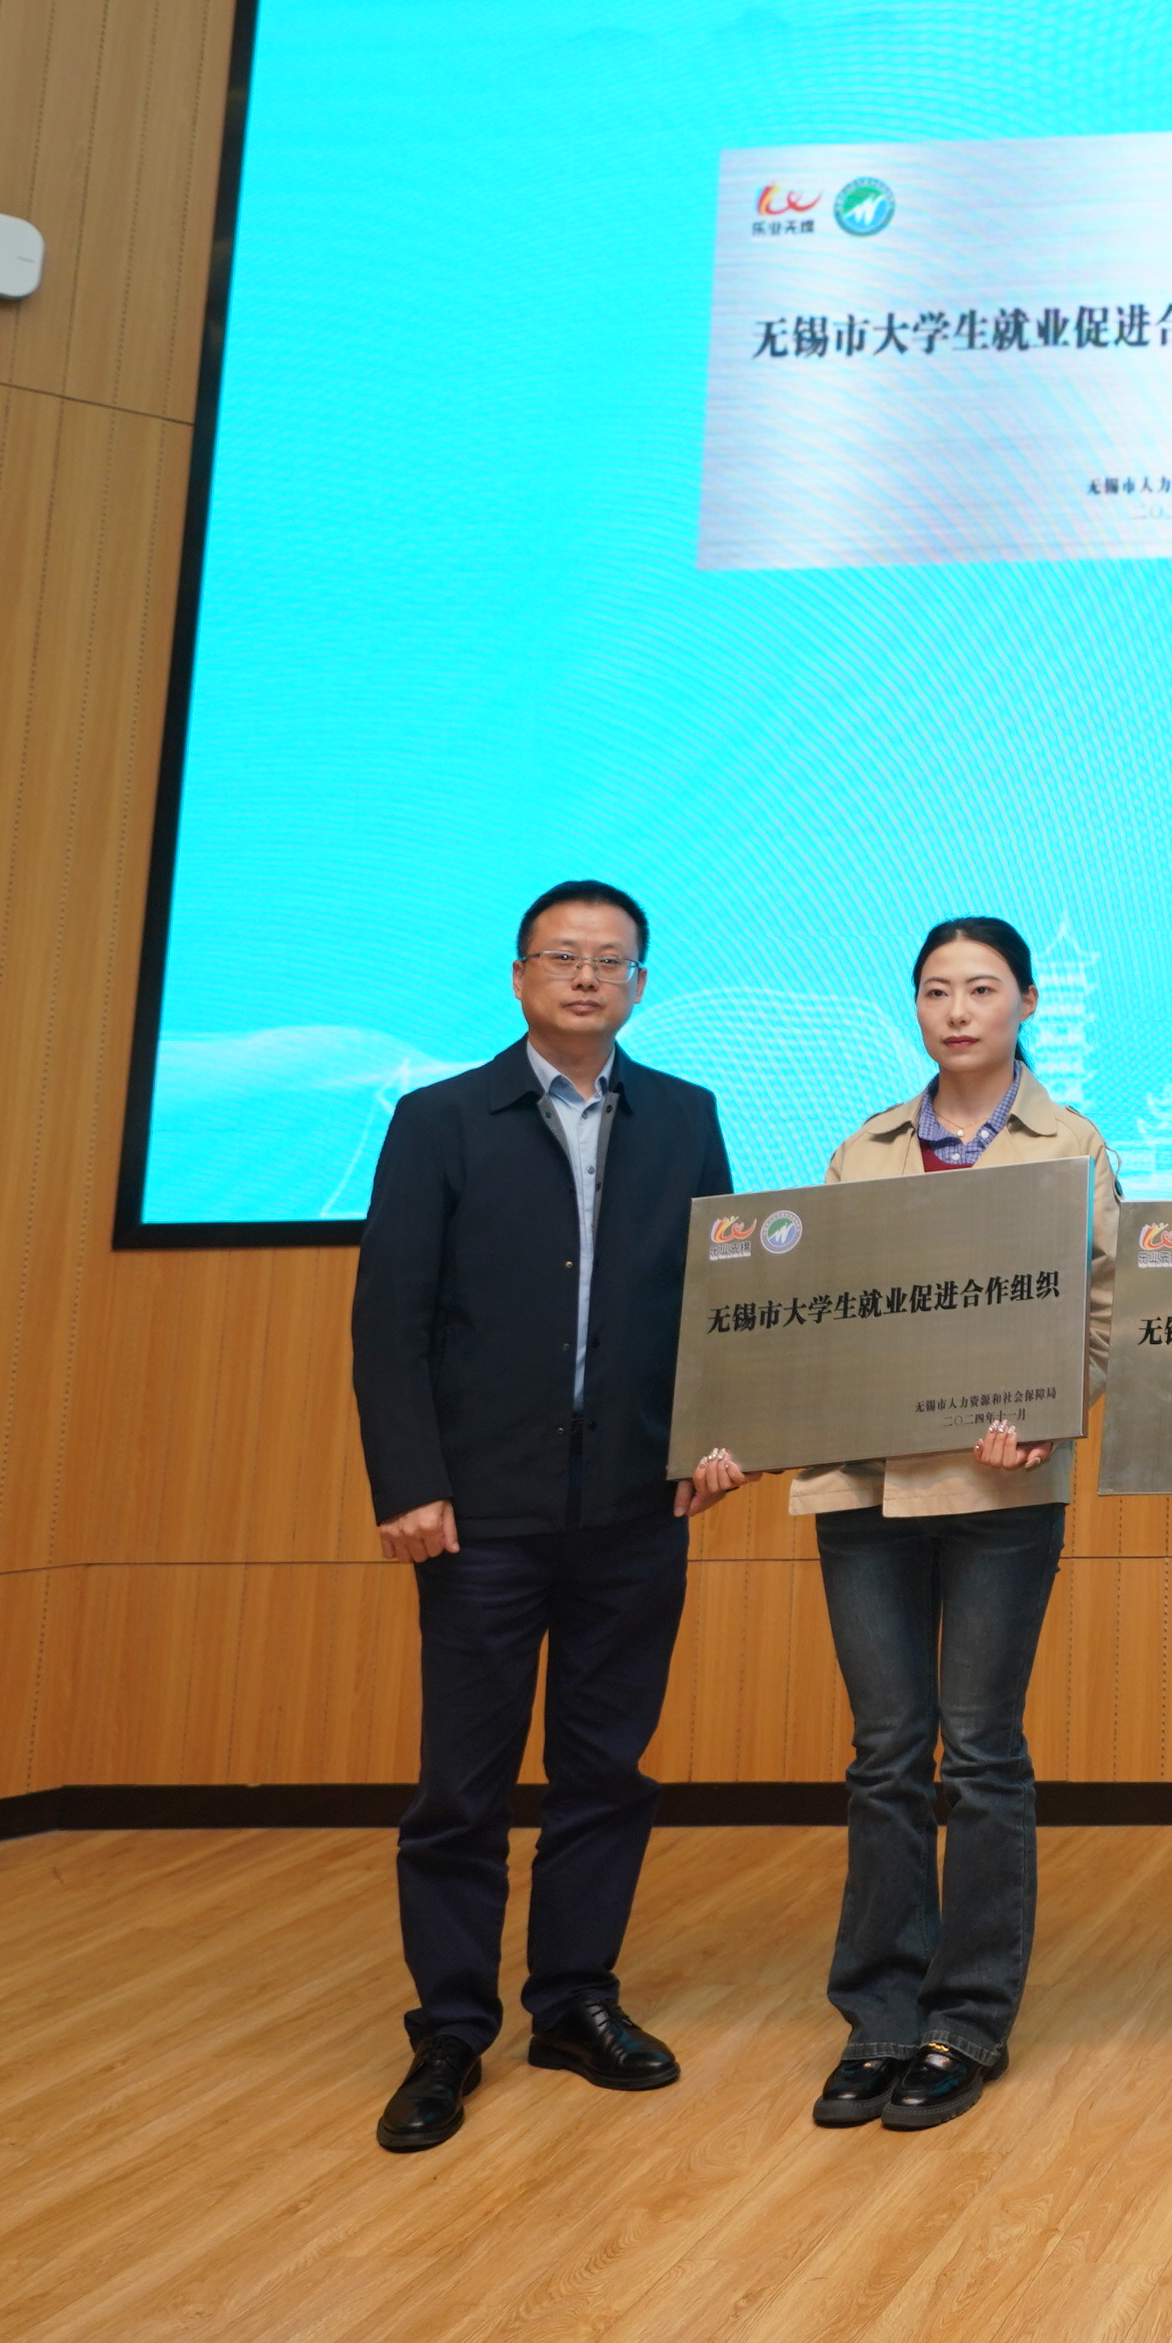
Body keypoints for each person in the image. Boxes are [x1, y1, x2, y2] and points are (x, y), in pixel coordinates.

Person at [349, 879, 746, 2155]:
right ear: (520, 976)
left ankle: (574, 2001)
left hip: (633, 1504)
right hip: (482, 1514)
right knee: (460, 1787)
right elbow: (390, 1318)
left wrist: (710, 1442)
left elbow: (719, 1305)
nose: (586, 977)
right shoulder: (440, 1119)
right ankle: (449, 2029)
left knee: (604, 1772)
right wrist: (410, 1482)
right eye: (563, 957)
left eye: (610, 960)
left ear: (640, 984)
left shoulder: (684, 1116)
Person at [730, 917, 1116, 2137]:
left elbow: (1104, 1313)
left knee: (981, 1750)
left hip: (1000, 1489)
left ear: (1027, 1003)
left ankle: (969, 2017)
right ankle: (880, 2016)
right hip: (862, 1487)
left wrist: (1050, 1411)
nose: (957, 1011)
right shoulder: (862, 1149)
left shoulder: (1072, 1145)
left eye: (982, 989)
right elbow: (815, 1313)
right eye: (936, 990)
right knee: (886, 1752)